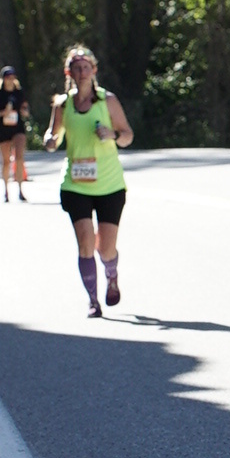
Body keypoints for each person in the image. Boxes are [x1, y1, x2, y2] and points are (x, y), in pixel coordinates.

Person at [42, 45, 133, 317]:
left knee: (105, 248)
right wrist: (50, 141)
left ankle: (111, 274)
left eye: (86, 68)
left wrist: (112, 135)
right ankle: (93, 300)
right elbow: (53, 134)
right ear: (68, 73)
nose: (82, 73)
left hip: (109, 185)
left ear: (94, 70)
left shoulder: (108, 101)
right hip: (75, 185)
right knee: (84, 243)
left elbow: (127, 135)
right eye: (76, 68)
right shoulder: (63, 104)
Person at [0, 67, 31, 201]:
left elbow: (25, 108)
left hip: (18, 128)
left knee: (19, 158)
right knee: (6, 162)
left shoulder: (19, 92)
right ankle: (6, 191)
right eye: (7, 77)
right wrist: (3, 113)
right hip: (3, 130)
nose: (10, 80)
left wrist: (25, 112)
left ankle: (20, 190)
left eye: (12, 77)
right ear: (3, 79)